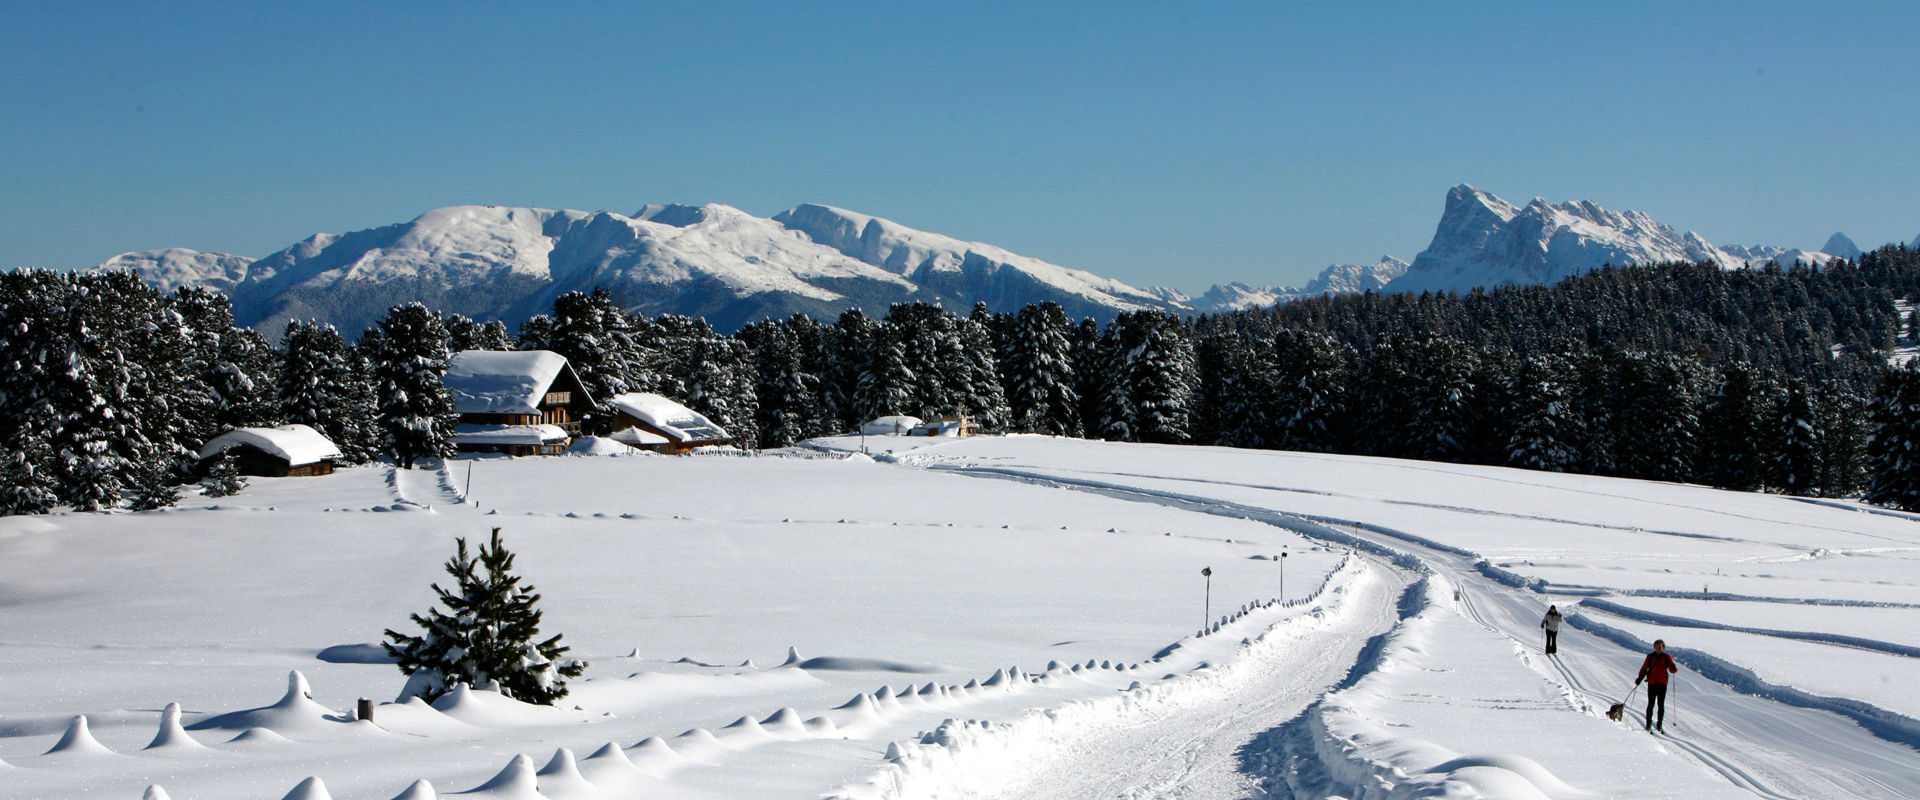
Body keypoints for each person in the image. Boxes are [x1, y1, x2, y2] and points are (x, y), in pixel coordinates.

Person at [1635, 639, 1680, 732]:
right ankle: (1648, 724)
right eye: (1658, 647)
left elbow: (1672, 670)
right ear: (1654, 647)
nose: (1659, 648)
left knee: (1660, 705)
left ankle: (1659, 724)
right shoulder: (1650, 657)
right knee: (1651, 704)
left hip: (1662, 683)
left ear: (1663, 647)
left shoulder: (1667, 657)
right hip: (1653, 682)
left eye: (1661, 647)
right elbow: (1644, 668)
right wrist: (1639, 678)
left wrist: (1674, 668)